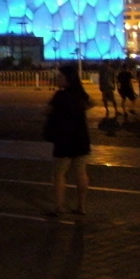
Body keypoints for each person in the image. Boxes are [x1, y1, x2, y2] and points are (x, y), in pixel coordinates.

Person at [42, 64, 91, 217]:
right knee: (81, 173)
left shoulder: (60, 96)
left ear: (68, 79)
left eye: (60, 76)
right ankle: (81, 206)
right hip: (81, 137)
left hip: (63, 138)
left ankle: (58, 207)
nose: (57, 79)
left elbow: (46, 111)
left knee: (59, 174)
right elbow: (92, 103)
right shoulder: (81, 94)